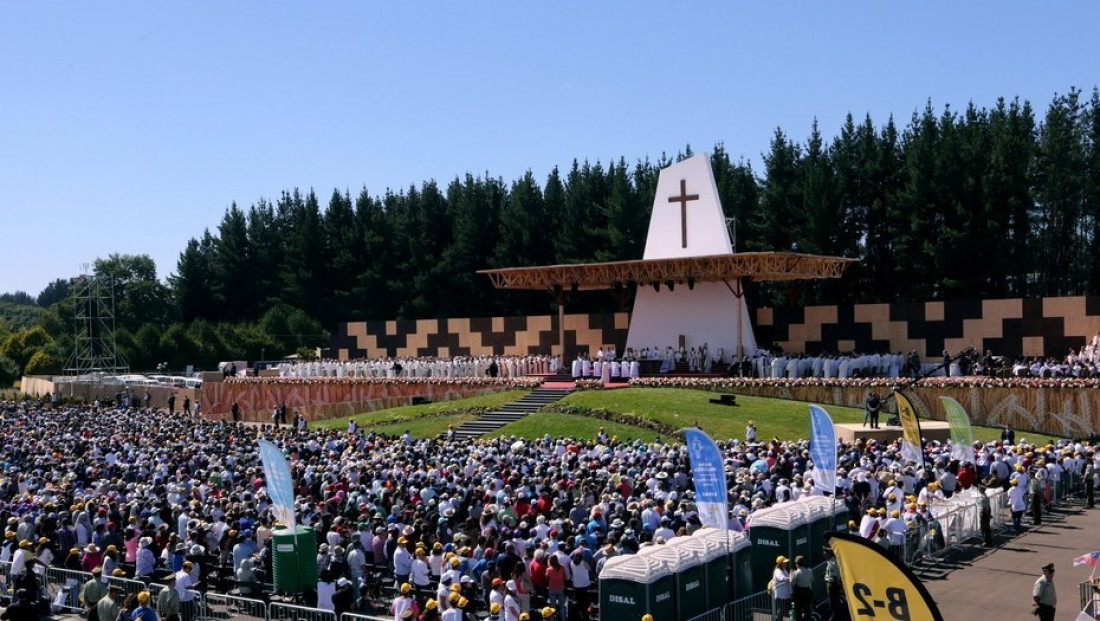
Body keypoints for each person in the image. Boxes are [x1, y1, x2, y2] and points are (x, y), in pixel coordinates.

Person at [790, 556, 813, 621]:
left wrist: (791, 574)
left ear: (797, 564)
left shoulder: (796, 573)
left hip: (799, 594)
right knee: (807, 610)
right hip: (807, 592)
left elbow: (792, 583)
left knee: (798, 612)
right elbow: (811, 580)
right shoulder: (809, 571)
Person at [823, 546, 842, 621]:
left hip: (832, 585)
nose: (824, 554)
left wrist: (839, 585)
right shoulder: (832, 561)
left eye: (825, 552)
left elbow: (835, 577)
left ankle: (834, 618)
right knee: (833, 602)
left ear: (829, 553)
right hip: (832, 584)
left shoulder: (832, 563)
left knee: (833, 603)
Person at [771, 555, 792, 621]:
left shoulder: (784, 570)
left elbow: (787, 578)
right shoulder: (777, 571)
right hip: (780, 595)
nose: (786, 563)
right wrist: (790, 578)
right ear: (780, 564)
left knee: (783, 610)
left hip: (785, 594)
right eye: (784, 562)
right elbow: (782, 578)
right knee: (780, 610)